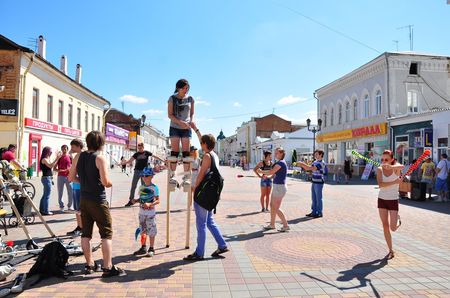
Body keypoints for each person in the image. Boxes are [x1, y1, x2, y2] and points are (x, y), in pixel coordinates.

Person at [69, 131, 125, 277]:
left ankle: (89, 264)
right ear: (101, 143)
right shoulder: (100, 158)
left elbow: (71, 177)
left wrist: (85, 182)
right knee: (106, 234)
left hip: (84, 200)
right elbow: (106, 182)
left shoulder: (77, 156)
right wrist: (109, 182)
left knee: (85, 233)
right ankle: (107, 267)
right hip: (98, 201)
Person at [184, 134, 228, 261]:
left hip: (203, 195)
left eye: (202, 143)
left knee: (201, 224)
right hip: (212, 194)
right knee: (209, 221)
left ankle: (199, 253)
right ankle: (222, 244)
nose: (200, 145)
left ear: (204, 144)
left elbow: (201, 175)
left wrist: (195, 190)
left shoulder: (207, 156)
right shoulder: (215, 155)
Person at [376, 150, 404, 259]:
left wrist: (390, 167)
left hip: (393, 200)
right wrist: (395, 182)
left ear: (392, 159)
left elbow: (402, 166)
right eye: (382, 160)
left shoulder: (396, 167)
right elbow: (381, 185)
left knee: (393, 228)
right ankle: (391, 250)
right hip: (382, 199)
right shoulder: (379, 169)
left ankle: (397, 218)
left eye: (386, 159)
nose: (383, 162)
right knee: (385, 226)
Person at [167, 79, 195, 187]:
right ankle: (172, 176)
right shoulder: (172, 98)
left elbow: (192, 113)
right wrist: (180, 122)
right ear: (178, 88)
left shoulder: (190, 99)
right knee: (175, 151)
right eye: (184, 88)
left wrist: (191, 121)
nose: (186, 90)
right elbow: (170, 115)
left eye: (187, 88)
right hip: (175, 127)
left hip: (186, 128)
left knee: (186, 152)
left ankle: (186, 176)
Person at [258, 147, 290, 232]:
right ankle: (272, 224)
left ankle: (285, 225)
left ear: (281, 153)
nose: (275, 154)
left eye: (277, 153)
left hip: (279, 187)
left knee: (275, 207)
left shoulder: (281, 163)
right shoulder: (279, 163)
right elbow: (273, 175)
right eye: (275, 153)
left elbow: (271, 172)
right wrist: (267, 176)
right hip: (277, 186)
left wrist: (261, 172)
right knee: (272, 206)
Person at [131, 167, 159, 257]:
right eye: (143, 176)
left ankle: (151, 248)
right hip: (142, 213)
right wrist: (136, 200)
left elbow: (158, 200)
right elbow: (141, 199)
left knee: (151, 231)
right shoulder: (141, 187)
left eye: (146, 176)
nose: (144, 177)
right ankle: (143, 247)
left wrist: (150, 204)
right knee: (142, 230)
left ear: (151, 176)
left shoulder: (154, 188)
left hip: (150, 214)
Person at [297, 150, 327, 218]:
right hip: (314, 181)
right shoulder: (315, 162)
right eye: (315, 154)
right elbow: (309, 169)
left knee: (318, 198)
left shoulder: (321, 163)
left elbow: (311, 168)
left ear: (321, 155)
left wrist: (302, 164)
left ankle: (319, 212)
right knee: (314, 198)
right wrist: (302, 167)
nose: (315, 155)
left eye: (316, 154)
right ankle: (314, 212)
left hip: (319, 182)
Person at [67, 138, 84, 236]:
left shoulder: (80, 156)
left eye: (73, 146)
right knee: (77, 209)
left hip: (78, 185)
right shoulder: (77, 156)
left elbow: (78, 171)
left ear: (78, 146)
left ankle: (81, 227)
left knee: (79, 209)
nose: (71, 148)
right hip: (76, 185)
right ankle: (79, 226)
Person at [39, 147, 61, 215]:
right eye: (50, 152)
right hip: (46, 178)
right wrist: (57, 158)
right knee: (47, 195)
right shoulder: (44, 159)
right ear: (46, 152)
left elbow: (52, 165)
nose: (51, 153)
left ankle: (42, 209)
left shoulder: (47, 159)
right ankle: (46, 210)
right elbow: (50, 166)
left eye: (51, 152)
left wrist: (56, 159)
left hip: (48, 178)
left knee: (45, 195)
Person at [54, 145, 74, 212]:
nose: (64, 150)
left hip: (68, 176)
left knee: (70, 191)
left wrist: (68, 170)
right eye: (63, 149)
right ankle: (61, 206)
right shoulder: (59, 158)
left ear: (67, 149)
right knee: (60, 192)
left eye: (65, 149)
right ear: (61, 149)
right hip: (60, 176)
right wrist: (59, 170)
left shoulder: (70, 157)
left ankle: (70, 206)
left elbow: (72, 166)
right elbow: (54, 168)